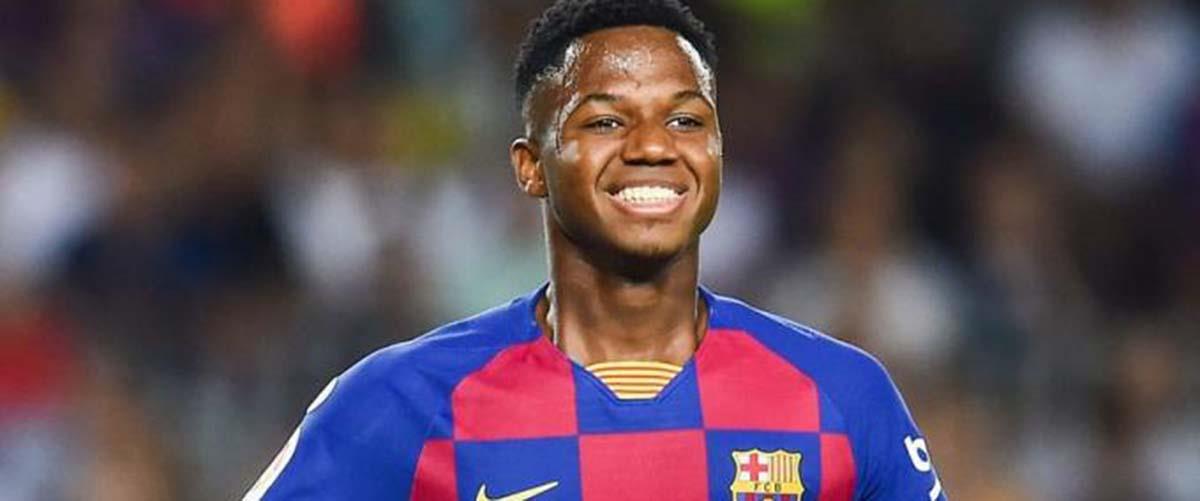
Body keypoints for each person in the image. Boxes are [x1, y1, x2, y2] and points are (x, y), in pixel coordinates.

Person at [244, 1, 945, 499]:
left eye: (685, 119)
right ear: (531, 166)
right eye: (607, 121)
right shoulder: (404, 402)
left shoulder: (841, 397)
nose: (653, 146)